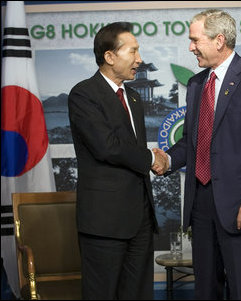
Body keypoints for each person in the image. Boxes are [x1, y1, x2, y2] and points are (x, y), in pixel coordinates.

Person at [156, 9, 241, 300]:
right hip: (201, 204)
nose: (190, 47)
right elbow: (192, 141)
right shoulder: (197, 83)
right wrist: (167, 160)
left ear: (219, 40)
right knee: (205, 291)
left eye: (194, 40)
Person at [68, 22, 168, 300]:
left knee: (138, 294)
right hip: (105, 222)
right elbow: (106, 147)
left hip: (140, 218)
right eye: (133, 51)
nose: (139, 59)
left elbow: (129, 149)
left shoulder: (134, 98)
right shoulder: (84, 94)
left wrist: (151, 158)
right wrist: (150, 157)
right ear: (110, 56)